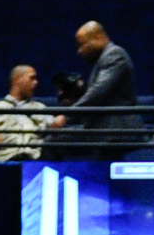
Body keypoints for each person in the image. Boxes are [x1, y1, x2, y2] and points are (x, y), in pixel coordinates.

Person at [51, 20, 139, 155]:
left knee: (54, 142)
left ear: (98, 37)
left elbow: (98, 92)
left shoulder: (114, 54)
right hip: (103, 128)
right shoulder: (104, 59)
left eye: (82, 44)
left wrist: (67, 116)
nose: (79, 51)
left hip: (115, 129)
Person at [0, 66, 54, 161]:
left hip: (34, 161)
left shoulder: (41, 108)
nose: (36, 82)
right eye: (32, 78)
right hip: (4, 162)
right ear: (17, 79)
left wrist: (56, 125)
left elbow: (54, 129)